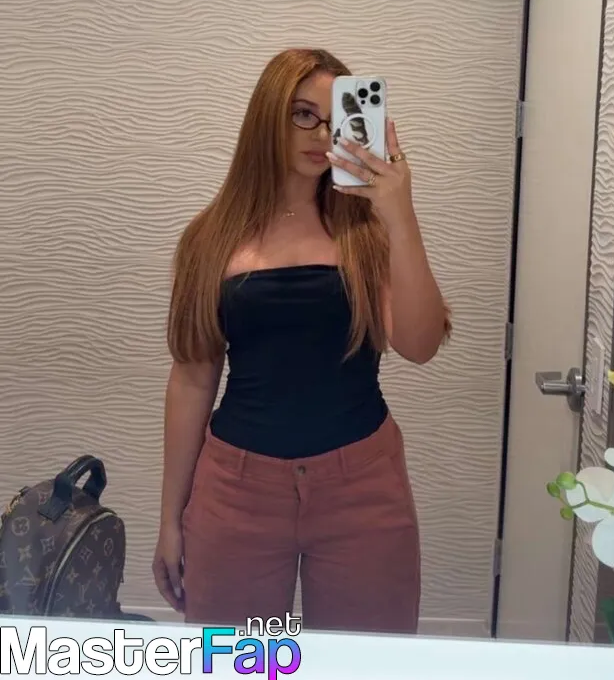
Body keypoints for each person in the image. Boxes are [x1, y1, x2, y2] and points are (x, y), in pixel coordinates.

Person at [152, 47, 451, 634]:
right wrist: (170, 517)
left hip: (362, 485)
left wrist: (400, 213)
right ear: (268, 117)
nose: (320, 134)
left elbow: (419, 345)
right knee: (239, 666)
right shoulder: (210, 238)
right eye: (302, 114)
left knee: (363, 667)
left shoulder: (367, 231)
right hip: (236, 490)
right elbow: (192, 378)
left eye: (336, 118)